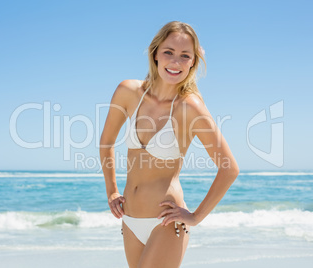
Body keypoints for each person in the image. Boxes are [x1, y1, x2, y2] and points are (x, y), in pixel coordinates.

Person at [99, 21, 239, 268]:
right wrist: (111, 189)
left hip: (166, 222)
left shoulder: (190, 107)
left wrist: (195, 216)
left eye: (185, 55)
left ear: (193, 62)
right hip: (130, 219)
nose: (175, 62)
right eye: (169, 52)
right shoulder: (128, 92)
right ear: (155, 53)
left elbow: (229, 168)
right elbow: (106, 142)